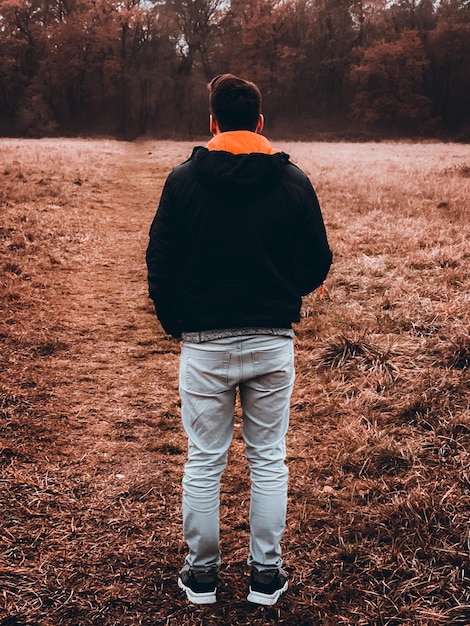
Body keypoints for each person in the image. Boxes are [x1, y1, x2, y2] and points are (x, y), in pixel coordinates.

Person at [146, 74, 332, 606]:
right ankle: (265, 577)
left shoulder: (183, 180)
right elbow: (317, 262)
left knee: (205, 460)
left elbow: (160, 259)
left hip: (204, 341)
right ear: (260, 124)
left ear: (212, 123)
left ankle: (201, 577)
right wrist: (281, 291)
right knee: (268, 459)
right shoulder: (293, 180)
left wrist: (176, 322)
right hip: (273, 339)